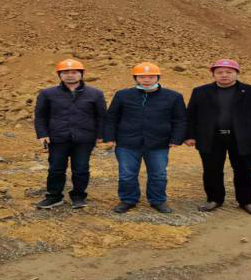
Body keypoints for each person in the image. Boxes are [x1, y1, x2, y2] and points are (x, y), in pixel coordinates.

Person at [185, 59, 251, 215]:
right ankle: (214, 199)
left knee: (244, 170)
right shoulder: (200, 91)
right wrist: (190, 136)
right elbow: (191, 116)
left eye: (229, 72)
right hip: (211, 137)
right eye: (219, 72)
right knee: (212, 170)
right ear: (213, 74)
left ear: (237, 73)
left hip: (242, 138)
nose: (224, 75)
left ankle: (246, 201)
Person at [103, 62, 186, 214]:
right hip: (127, 143)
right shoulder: (122, 95)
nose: (146, 80)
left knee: (158, 174)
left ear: (158, 77)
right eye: (142, 77)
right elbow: (111, 118)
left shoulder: (173, 96)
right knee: (127, 175)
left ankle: (158, 200)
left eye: (151, 76)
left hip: (158, 143)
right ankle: (128, 200)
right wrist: (109, 137)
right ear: (135, 78)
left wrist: (176, 139)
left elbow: (180, 120)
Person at [34, 58, 107, 209]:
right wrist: (42, 134)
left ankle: (78, 196)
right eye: (65, 72)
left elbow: (101, 116)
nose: (70, 75)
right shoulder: (48, 94)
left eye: (74, 72)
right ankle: (54, 196)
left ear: (81, 74)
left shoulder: (95, 94)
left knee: (81, 169)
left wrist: (101, 135)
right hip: (57, 138)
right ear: (60, 75)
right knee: (56, 168)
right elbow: (40, 116)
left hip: (84, 138)